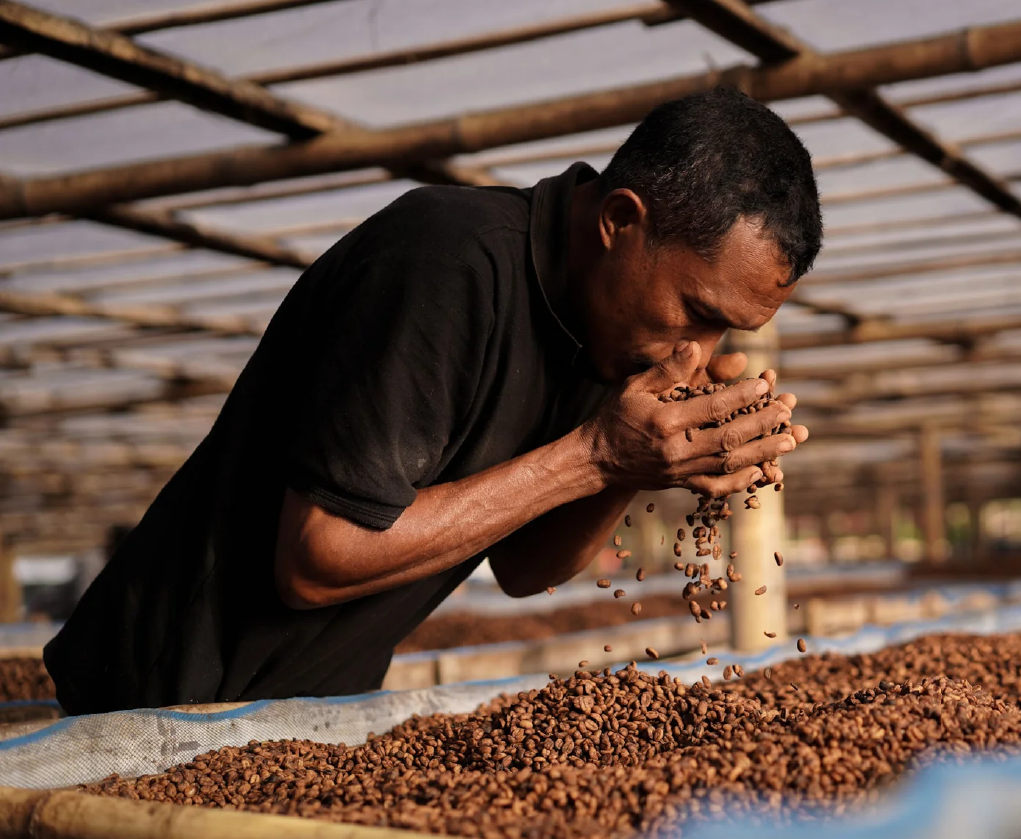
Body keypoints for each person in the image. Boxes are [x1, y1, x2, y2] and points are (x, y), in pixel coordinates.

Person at [44, 87, 823, 715]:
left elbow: (523, 568)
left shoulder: (612, 332)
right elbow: (317, 557)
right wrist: (594, 454)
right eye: (699, 310)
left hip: (305, 715)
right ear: (620, 221)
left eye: (728, 332)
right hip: (147, 701)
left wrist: (635, 462)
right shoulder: (444, 263)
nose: (698, 352)